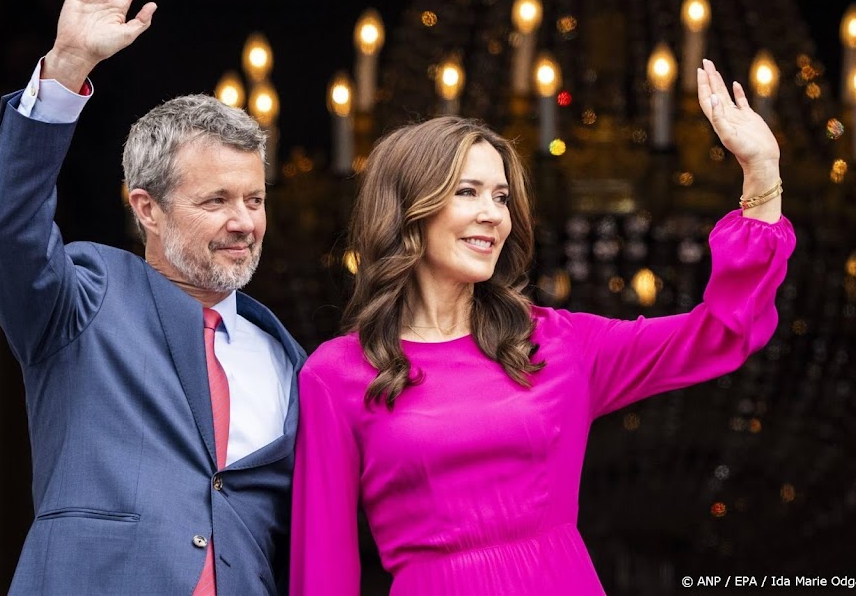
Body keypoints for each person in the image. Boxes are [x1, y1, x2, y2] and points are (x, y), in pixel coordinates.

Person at [290, 60, 795, 595]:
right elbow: (322, 567)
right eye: (468, 192)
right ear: (408, 210)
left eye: (501, 197)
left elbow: (723, 333)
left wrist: (762, 172)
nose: (493, 214)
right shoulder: (337, 374)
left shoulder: (557, 344)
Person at [0, 0, 304, 595]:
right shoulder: (83, 302)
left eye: (255, 199)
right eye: (216, 201)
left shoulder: (287, 355)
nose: (244, 221)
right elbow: (6, 229)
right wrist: (67, 68)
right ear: (147, 208)